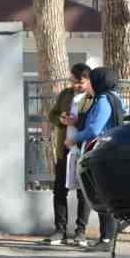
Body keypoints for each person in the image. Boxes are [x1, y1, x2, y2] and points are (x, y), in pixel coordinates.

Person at [66, 66, 126, 247]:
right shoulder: (113, 97)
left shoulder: (103, 101)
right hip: (109, 150)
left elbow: (95, 129)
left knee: (102, 195)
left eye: (91, 80)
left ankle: (107, 238)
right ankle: (106, 237)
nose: (88, 84)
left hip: (101, 152)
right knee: (104, 194)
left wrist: (74, 138)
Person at [44, 64, 92, 245]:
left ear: (88, 80)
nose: (76, 85)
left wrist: (77, 122)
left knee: (83, 192)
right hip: (64, 147)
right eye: (73, 81)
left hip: (83, 148)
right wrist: (62, 120)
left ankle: (81, 231)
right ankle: (60, 230)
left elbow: (93, 123)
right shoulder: (65, 94)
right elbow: (52, 114)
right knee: (59, 190)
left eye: (80, 82)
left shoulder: (92, 98)